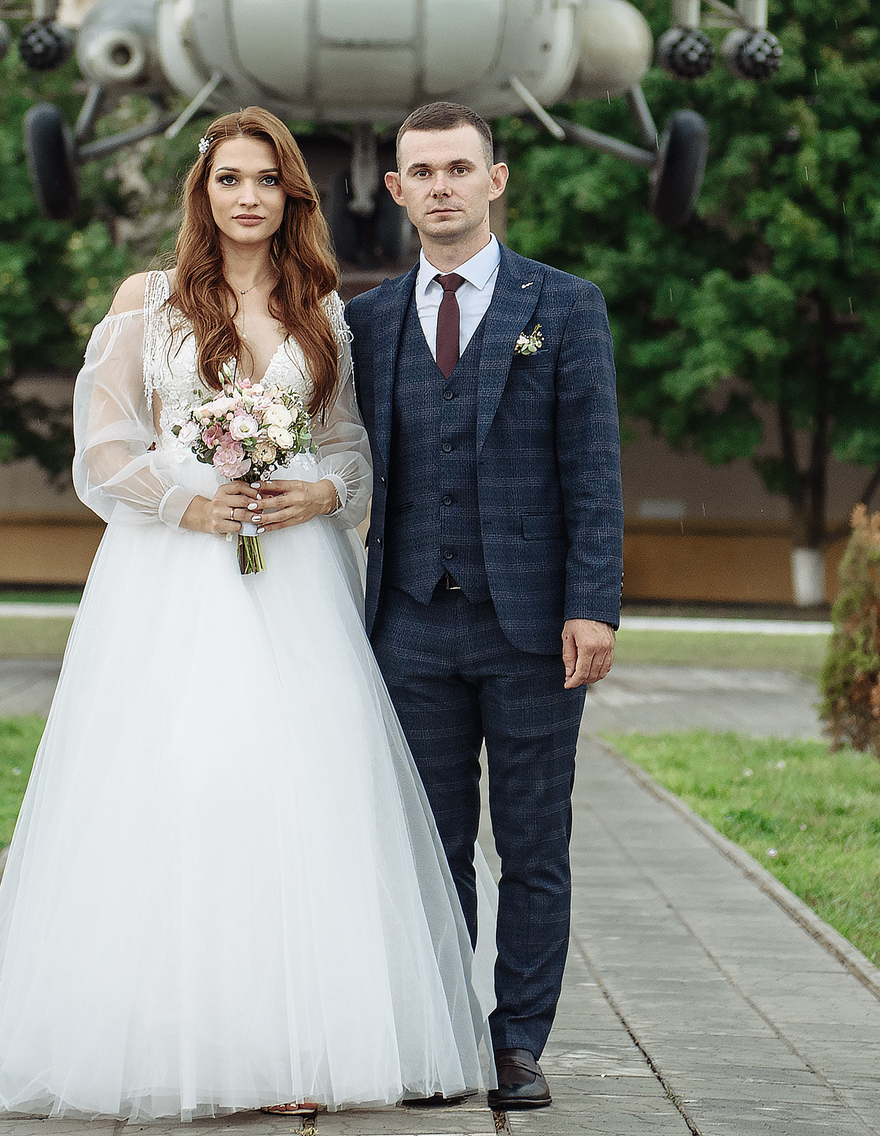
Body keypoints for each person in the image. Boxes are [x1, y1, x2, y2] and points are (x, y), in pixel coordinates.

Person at [0, 107, 490, 1121]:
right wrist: (190, 499)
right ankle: (178, 1034)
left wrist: (320, 494)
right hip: (172, 576)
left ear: (290, 195)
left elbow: (347, 446)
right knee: (186, 778)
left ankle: (307, 1039)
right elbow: (105, 445)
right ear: (202, 194)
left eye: (265, 180)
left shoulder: (322, 310)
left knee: (305, 787)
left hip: (294, 575)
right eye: (228, 179)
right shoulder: (149, 300)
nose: (246, 196)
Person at [346, 100, 624, 1114]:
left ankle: (517, 1045)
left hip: (535, 625)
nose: (442, 185)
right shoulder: (367, 318)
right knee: (430, 845)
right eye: (422, 170)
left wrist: (593, 604)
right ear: (396, 190)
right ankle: (443, 1033)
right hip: (410, 621)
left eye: (460, 166)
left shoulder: (567, 305)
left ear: (495, 179)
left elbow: (593, 471)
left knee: (533, 842)